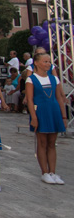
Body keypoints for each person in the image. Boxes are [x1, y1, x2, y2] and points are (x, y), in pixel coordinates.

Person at [26, 52, 66, 185]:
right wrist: (33, 117)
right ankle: (44, 172)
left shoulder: (54, 79)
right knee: (42, 142)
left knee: (52, 143)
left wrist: (63, 115)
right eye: (45, 61)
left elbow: (59, 97)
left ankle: (53, 172)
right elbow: (30, 100)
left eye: (49, 62)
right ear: (36, 63)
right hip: (41, 112)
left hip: (53, 111)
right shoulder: (31, 79)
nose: (48, 64)